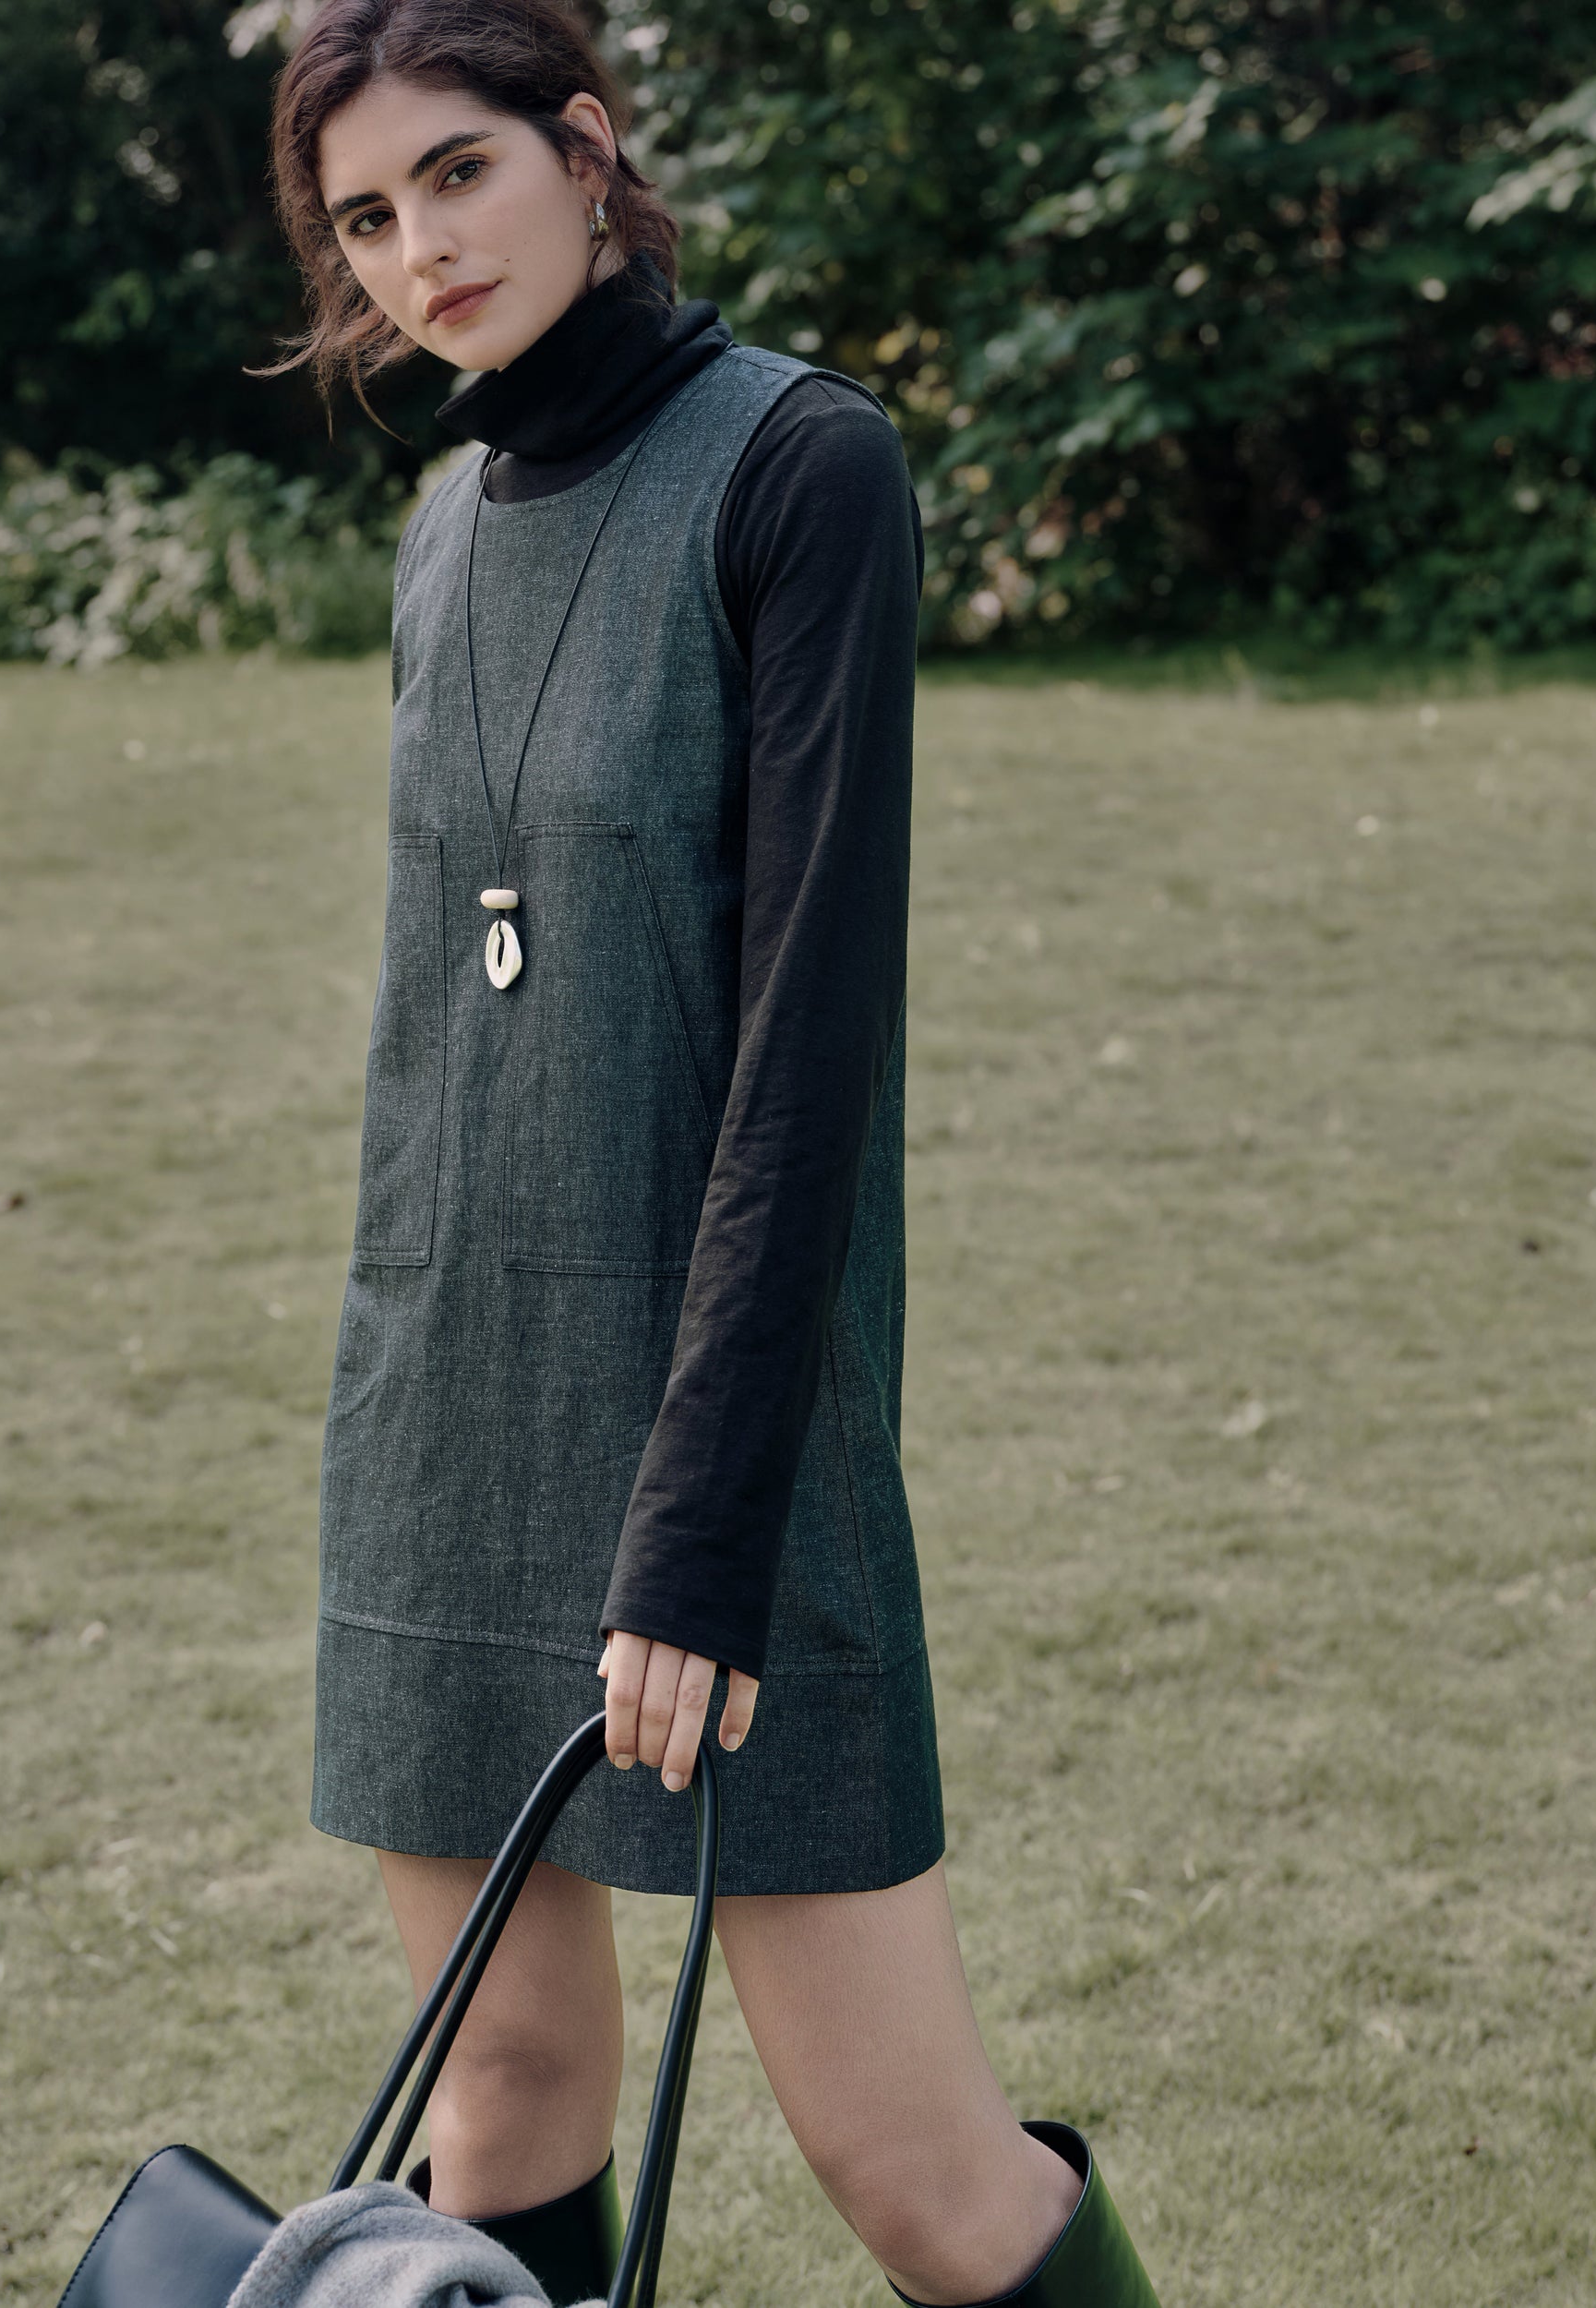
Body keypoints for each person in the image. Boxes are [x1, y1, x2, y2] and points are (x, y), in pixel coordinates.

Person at [263, 5, 1159, 2302]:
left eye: (455, 173)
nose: (416, 249)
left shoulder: (798, 462)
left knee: (916, 2169)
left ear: (583, 150)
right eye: (364, 217)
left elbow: (805, 1053)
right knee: (497, 2097)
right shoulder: (438, 527)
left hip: (721, 1434)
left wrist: (701, 1525)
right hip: (442, 1408)